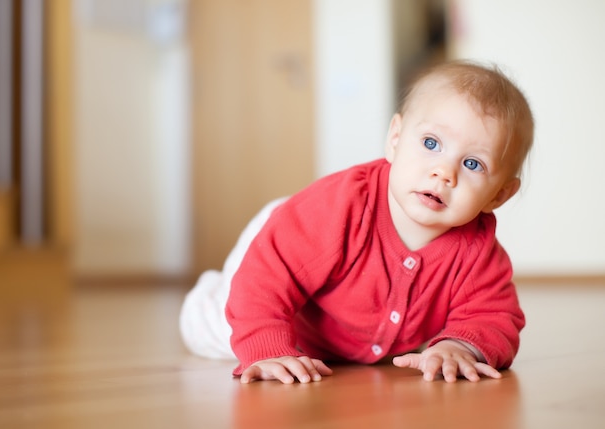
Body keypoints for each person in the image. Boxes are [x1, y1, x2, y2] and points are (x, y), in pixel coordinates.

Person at [180, 60, 534, 384]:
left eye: (473, 164)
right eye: (430, 143)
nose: (444, 172)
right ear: (395, 140)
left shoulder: (477, 251)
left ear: (498, 196)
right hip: (282, 244)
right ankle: (210, 296)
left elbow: (492, 316)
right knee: (226, 332)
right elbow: (264, 278)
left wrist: (461, 346)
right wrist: (267, 348)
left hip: (338, 314)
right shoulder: (341, 209)